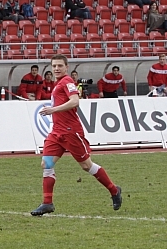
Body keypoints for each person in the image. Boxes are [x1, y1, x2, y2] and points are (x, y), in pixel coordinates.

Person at [31, 55, 122, 216]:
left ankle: (114, 190)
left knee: (86, 166)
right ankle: (47, 203)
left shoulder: (67, 81)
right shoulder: (58, 84)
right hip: (57, 132)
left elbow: (75, 101)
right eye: (54, 66)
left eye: (60, 65)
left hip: (70, 131)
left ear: (66, 67)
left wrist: (53, 110)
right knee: (46, 164)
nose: (56, 68)